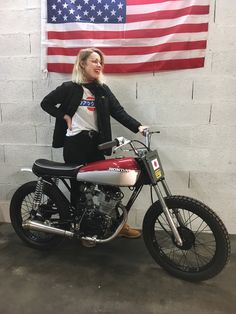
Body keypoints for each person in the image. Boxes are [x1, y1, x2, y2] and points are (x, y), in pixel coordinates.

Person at [41, 47, 147, 239]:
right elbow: (46, 103)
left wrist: (138, 127)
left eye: (100, 62)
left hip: (96, 144)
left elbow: (118, 111)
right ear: (82, 63)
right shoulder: (69, 88)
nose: (99, 65)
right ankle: (82, 230)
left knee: (108, 186)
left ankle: (118, 224)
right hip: (75, 144)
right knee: (79, 189)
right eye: (94, 61)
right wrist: (64, 115)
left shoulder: (102, 90)